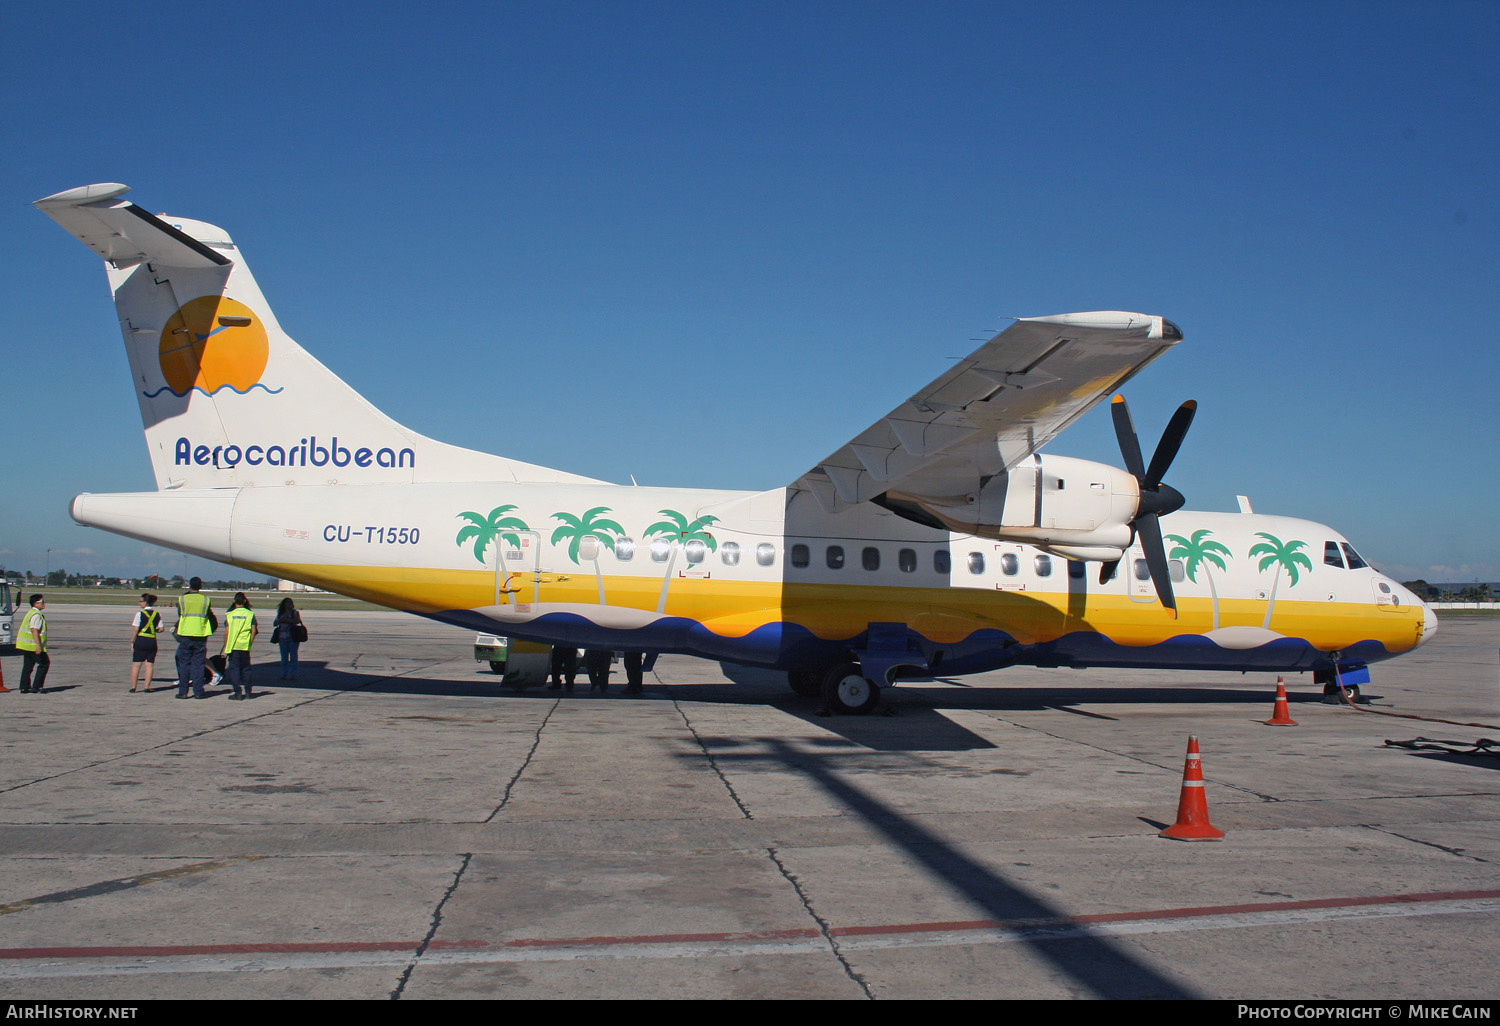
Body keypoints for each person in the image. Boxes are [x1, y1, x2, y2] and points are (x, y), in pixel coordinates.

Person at [174, 577, 215, 699]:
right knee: (198, 664)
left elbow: (180, 614)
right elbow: (208, 615)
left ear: (189, 586)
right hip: (200, 634)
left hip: (186, 633)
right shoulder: (205, 600)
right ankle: (198, 691)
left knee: (184, 664)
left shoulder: (182, 599)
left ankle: (183, 691)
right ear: (200, 586)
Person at [222, 593, 258, 700]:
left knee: (235, 669)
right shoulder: (250, 614)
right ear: (245, 601)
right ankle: (248, 692)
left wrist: (225, 646)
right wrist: (250, 643)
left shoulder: (230, 614)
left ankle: (237, 692)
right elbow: (253, 631)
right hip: (244, 645)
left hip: (233, 645)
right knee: (246, 669)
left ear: (234, 601)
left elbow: (226, 632)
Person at [16, 594, 49, 694]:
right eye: (42, 602)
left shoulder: (30, 613)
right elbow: (34, 630)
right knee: (44, 663)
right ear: (36, 603)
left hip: (26, 645)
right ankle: (37, 687)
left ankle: (24, 687)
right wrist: (38, 645)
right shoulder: (36, 615)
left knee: (28, 666)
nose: (44, 604)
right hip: (33, 646)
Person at [130, 593, 161, 693]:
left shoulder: (139, 614)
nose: (139, 603)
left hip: (141, 640)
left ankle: (133, 687)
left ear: (145, 602)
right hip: (152, 641)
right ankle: (147, 687)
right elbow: (161, 628)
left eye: (140, 601)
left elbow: (136, 629)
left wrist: (131, 642)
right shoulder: (157, 614)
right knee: (149, 665)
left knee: (136, 665)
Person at [273, 597, 304, 680]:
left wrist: (286, 620)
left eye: (290, 603)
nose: (289, 605)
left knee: (293, 656)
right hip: (282, 637)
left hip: (293, 637)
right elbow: (275, 623)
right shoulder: (280, 613)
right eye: (287, 603)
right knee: (284, 658)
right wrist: (280, 620)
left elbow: (297, 621)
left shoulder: (295, 612)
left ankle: (293, 673)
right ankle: (284, 673)